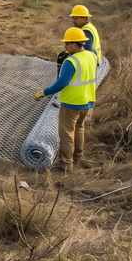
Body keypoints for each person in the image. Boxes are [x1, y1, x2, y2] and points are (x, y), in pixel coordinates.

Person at [34, 28, 97, 172]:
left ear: (76, 44)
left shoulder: (71, 61)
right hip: (87, 101)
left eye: (67, 43)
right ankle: (78, 157)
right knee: (79, 128)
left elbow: (62, 83)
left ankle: (66, 165)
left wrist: (44, 92)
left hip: (72, 103)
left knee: (66, 133)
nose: (65, 47)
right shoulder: (91, 56)